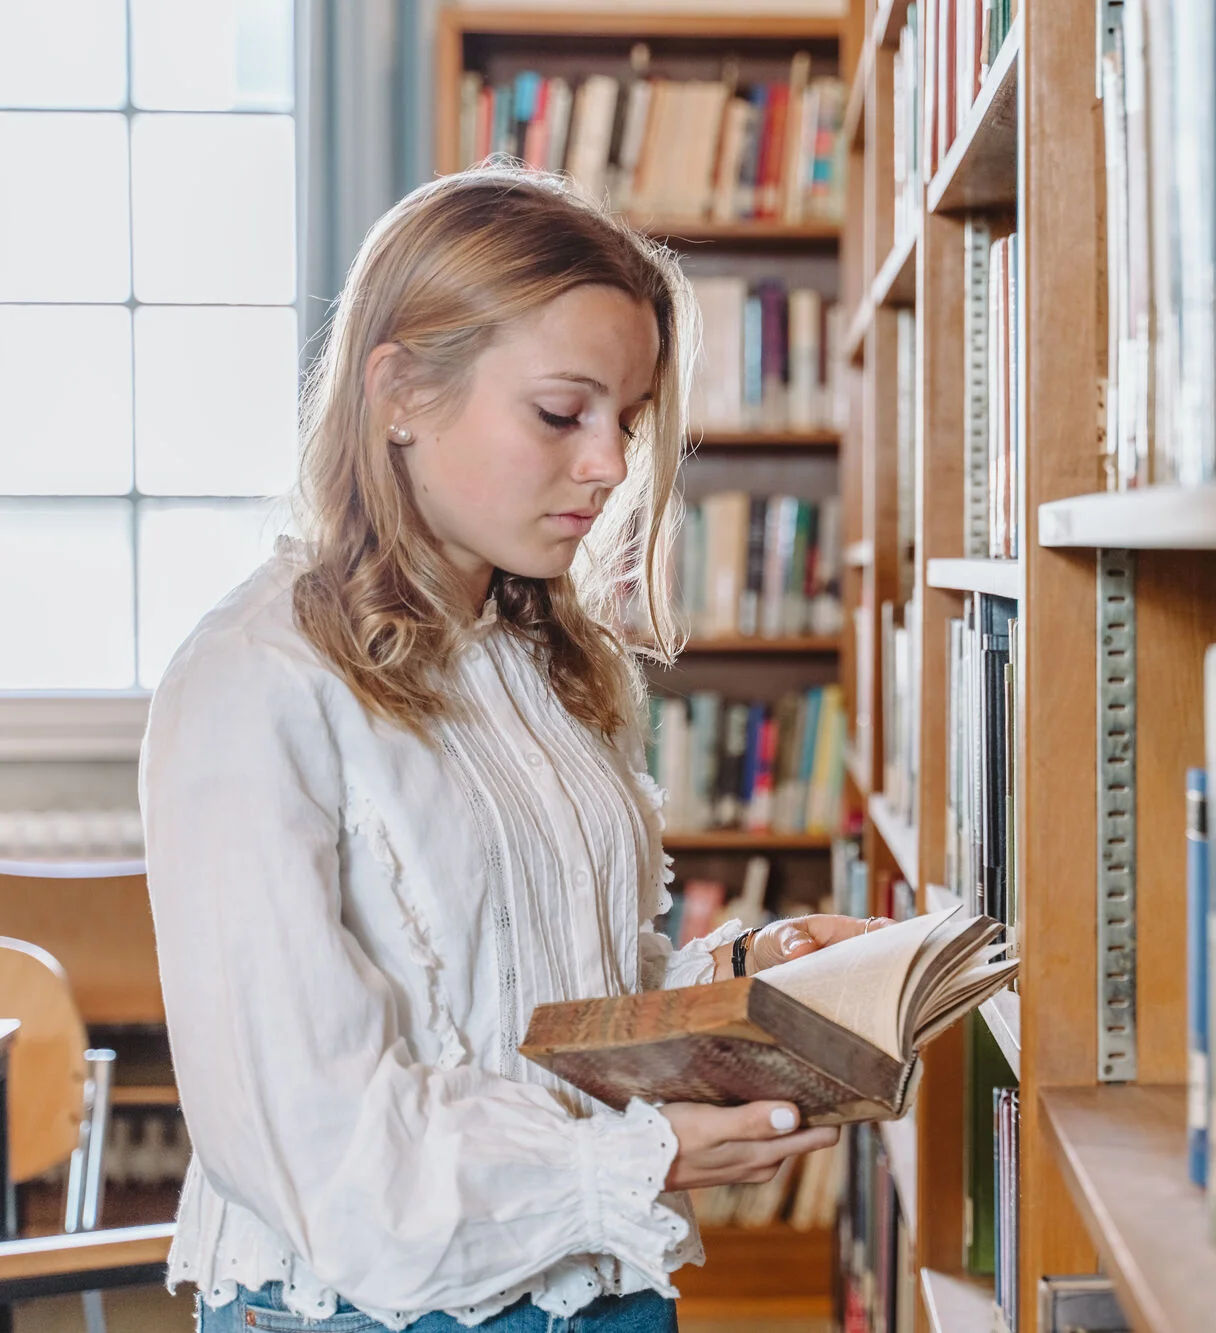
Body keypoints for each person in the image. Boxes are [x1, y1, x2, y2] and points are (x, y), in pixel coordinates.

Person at [140, 164, 873, 1333]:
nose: (610, 464)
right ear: (400, 394)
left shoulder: (540, 663)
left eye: (627, 421)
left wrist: (758, 976)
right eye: (560, 413)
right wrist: (632, 1165)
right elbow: (315, 1144)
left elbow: (568, 1012)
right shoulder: (253, 681)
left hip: (600, 1283)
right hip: (374, 1310)